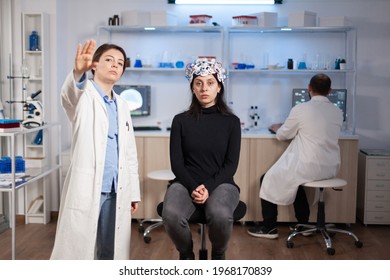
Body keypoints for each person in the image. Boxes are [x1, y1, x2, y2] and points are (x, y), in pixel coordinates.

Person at [50, 40, 140, 259]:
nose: (115, 65)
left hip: (116, 188)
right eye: (109, 60)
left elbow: (129, 153)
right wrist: (77, 73)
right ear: (93, 65)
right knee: (78, 250)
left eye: (120, 63)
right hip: (88, 186)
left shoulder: (122, 105)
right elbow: (69, 96)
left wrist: (133, 192)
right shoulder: (83, 96)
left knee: (111, 249)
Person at [162, 58, 241, 260]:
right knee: (170, 214)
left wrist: (208, 186)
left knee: (220, 214)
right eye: (198, 83)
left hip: (222, 183)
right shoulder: (180, 121)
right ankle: (187, 255)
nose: (204, 88)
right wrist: (194, 186)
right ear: (193, 87)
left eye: (210, 82)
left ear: (219, 87)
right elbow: (177, 163)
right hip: (186, 182)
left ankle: (218, 255)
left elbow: (230, 165)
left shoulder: (231, 122)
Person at [247, 73, 343, 239]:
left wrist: (279, 128)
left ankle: (269, 227)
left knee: (267, 178)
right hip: (330, 168)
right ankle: (302, 224)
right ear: (330, 91)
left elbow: (283, 135)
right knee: (296, 181)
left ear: (309, 89)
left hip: (308, 166)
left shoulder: (301, 109)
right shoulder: (337, 112)